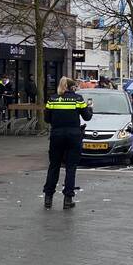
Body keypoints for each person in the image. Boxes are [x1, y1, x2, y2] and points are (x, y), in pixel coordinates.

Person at [43, 77, 93, 210]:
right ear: (72, 87)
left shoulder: (52, 99)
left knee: (54, 166)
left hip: (57, 136)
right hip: (73, 136)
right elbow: (87, 116)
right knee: (71, 168)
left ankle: (48, 198)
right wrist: (90, 108)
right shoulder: (78, 99)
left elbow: (47, 119)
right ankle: (68, 199)